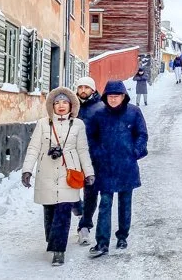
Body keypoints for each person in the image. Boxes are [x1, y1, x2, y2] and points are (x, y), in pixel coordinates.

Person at [21, 87, 95, 266]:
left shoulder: (78, 125)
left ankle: (59, 250)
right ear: (51, 106)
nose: (61, 106)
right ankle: (52, 240)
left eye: (65, 102)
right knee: (50, 211)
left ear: (71, 105)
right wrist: (27, 170)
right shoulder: (42, 124)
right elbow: (33, 148)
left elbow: (83, 150)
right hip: (46, 171)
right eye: (57, 103)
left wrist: (89, 172)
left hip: (69, 171)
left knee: (63, 209)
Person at [89, 81, 149, 258]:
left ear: (123, 96)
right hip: (105, 166)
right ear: (105, 97)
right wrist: (98, 153)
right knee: (105, 203)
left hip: (126, 165)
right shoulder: (98, 114)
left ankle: (122, 236)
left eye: (116, 96)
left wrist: (135, 151)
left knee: (125, 202)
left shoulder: (134, 112)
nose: (113, 99)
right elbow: (91, 137)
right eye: (110, 96)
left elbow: (142, 134)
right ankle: (102, 242)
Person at [73, 77, 104, 246]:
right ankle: (77, 206)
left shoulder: (100, 108)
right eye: (80, 87)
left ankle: (85, 225)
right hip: (71, 156)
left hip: (93, 157)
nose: (83, 90)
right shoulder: (71, 107)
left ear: (93, 90)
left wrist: (100, 152)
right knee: (67, 187)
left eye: (87, 87)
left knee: (91, 191)